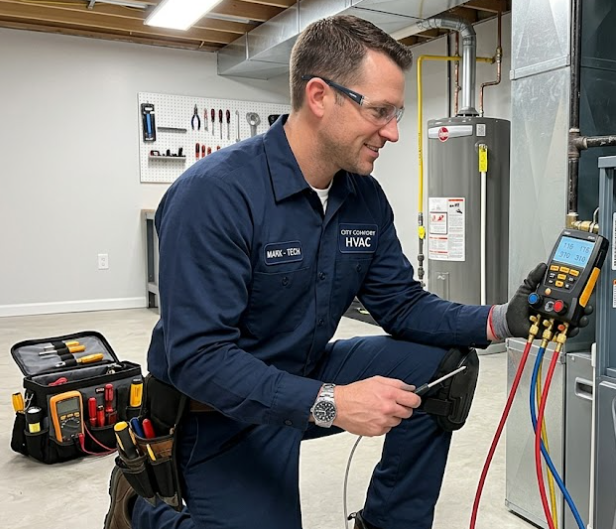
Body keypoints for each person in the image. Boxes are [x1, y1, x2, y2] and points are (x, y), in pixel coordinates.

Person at [102, 14, 554, 529]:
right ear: (320, 96)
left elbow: (400, 304)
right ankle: (136, 510)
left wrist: (500, 320)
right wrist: (329, 404)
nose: (393, 132)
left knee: (441, 368)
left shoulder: (362, 197)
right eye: (380, 111)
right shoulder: (216, 194)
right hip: (216, 410)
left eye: (396, 113)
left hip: (303, 371)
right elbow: (199, 359)